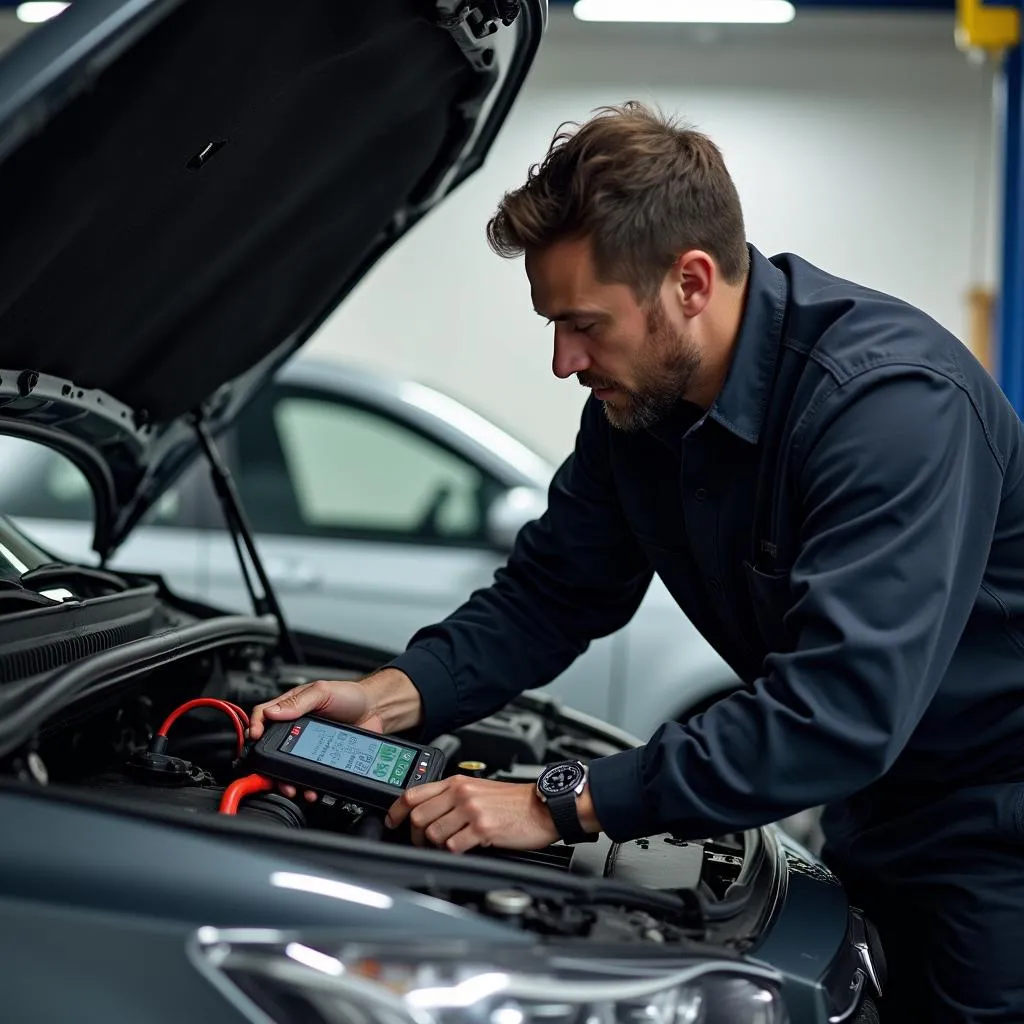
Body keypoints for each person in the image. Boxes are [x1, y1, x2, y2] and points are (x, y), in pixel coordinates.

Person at [250, 102, 1024, 1022]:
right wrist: (391, 694)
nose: (562, 360)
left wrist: (559, 802)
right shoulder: (640, 410)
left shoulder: (891, 410)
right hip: (874, 808)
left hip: (998, 830)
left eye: (583, 325)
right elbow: (551, 592)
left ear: (691, 281)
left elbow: (838, 710)